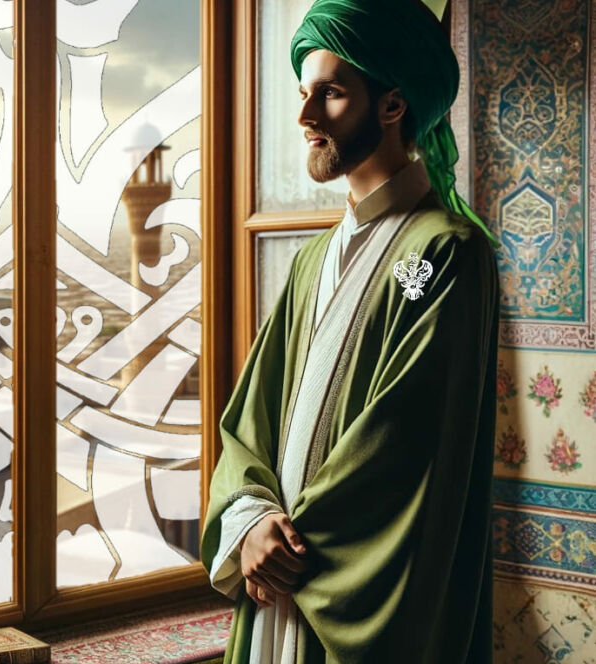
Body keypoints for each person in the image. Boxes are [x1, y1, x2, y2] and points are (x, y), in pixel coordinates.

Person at [200, 0, 501, 662]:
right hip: (274, 588)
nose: (306, 117)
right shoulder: (312, 260)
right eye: (304, 93)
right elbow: (248, 426)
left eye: (331, 94)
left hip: (336, 592)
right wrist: (250, 526)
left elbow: (408, 447)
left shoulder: (446, 253)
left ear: (393, 106)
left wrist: (287, 548)